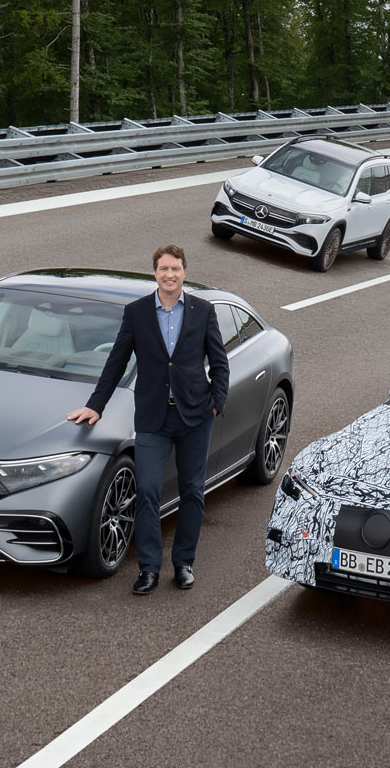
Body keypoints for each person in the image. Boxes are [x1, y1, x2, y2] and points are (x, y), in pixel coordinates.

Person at [67, 245, 229, 595]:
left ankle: (184, 563)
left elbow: (219, 361)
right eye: (163, 269)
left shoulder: (203, 311)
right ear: (155, 273)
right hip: (154, 417)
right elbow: (116, 361)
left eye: (175, 269)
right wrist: (96, 405)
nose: (169, 274)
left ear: (184, 272)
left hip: (194, 417)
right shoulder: (137, 313)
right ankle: (149, 569)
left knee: (192, 491)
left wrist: (217, 402)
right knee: (149, 492)